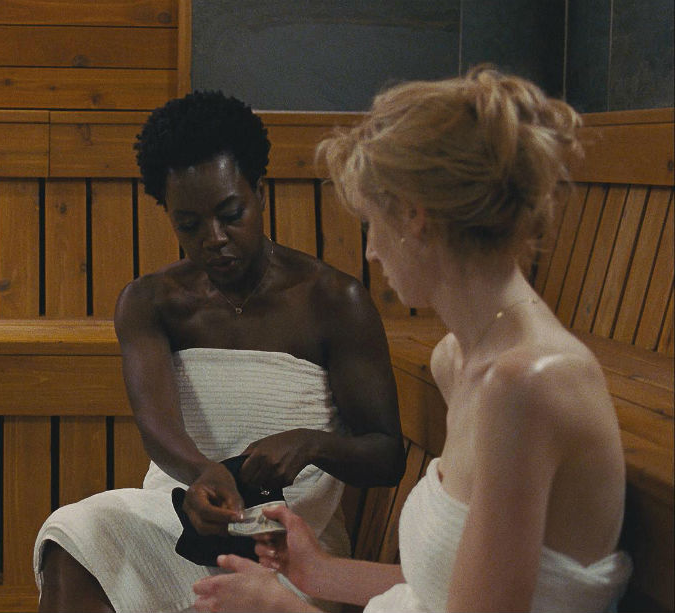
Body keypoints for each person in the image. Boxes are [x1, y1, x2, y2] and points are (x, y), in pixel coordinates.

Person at [190, 66, 632, 612]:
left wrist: (283, 607)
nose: (372, 251)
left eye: (372, 223)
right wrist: (319, 572)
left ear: (415, 218)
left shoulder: (529, 384)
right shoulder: (458, 359)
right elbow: (446, 586)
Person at [32, 90, 406, 612]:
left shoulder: (332, 300)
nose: (214, 238)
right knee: (75, 534)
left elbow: (387, 456)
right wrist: (201, 474)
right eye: (189, 225)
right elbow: (157, 426)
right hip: (180, 519)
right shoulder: (151, 302)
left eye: (231, 214)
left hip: (292, 543)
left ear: (260, 193)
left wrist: (311, 444)